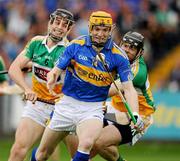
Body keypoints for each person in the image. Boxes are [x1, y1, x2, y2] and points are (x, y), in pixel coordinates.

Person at [32, 11, 144, 161]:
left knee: (86, 144)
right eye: (97, 29)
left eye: (105, 30)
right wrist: (52, 77)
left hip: (93, 108)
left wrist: (135, 114)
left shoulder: (119, 56)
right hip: (67, 104)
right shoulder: (75, 45)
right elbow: (57, 69)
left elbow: (129, 89)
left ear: (111, 29)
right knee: (42, 153)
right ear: (90, 28)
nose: (100, 34)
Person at [8, 8, 74, 161]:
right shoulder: (36, 42)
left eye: (65, 25)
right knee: (18, 150)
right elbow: (13, 68)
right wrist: (27, 89)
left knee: (79, 156)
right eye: (57, 22)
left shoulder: (71, 50)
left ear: (68, 29)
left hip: (64, 109)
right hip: (37, 106)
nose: (59, 27)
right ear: (50, 23)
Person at [89, 31, 156, 161]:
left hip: (137, 115)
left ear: (140, 52)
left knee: (96, 141)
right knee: (82, 131)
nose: (127, 50)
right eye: (125, 45)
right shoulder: (116, 57)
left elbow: (110, 90)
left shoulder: (138, 71)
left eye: (132, 48)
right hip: (115, 108)